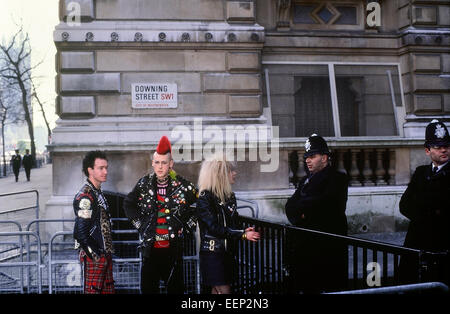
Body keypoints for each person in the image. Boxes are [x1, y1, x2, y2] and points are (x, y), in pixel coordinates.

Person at [123, 136, 198, 294]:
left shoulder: (183, 185)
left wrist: (187, 227)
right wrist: (141, 225)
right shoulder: (144, 184)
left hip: (173, 250)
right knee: (148, 289)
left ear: (171, 164)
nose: (160, 167)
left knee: (175, 290)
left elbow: (199, 206)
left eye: (164, 163)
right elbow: (128, 204)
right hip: (150, 250)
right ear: (152, 163)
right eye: (157, 162)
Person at [285, 134, 349, 293]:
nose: (307, 160)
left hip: (326, 252)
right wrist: (303, 213)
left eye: (312, 156)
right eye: (306, 156)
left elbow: (327, 206)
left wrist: (303, 211)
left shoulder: (337, 179)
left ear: (324, 158)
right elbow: (289, 207)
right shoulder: (305, 181)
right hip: (305, 251)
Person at [196, 154, 260, 294]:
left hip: (227, 252)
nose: (235, 173)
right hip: (212, 254)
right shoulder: (205, 198)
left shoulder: (229, 196)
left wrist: (243, 230)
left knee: (217, 290)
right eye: (231, 170)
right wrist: (242, 234)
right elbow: (213, 228)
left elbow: (232, 223)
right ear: (221, 174)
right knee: (223, 290)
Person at [399, 119, 450, 285]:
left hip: (442, 245)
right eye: (437, 146)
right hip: (417, 242)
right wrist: (430, 211)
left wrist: (425, 208)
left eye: (447, 145)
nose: (444, 149)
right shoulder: (421, 173)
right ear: (427, 150)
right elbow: (404, 205)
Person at [73, 150, 115, 294]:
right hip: (95, 257)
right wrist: (96, 256)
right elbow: (79, 232)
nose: (105, 172)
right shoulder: (86, 196)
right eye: (101, 168)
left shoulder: (97, 193)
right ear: (90, 170)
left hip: (105, 254)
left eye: (106, 168)